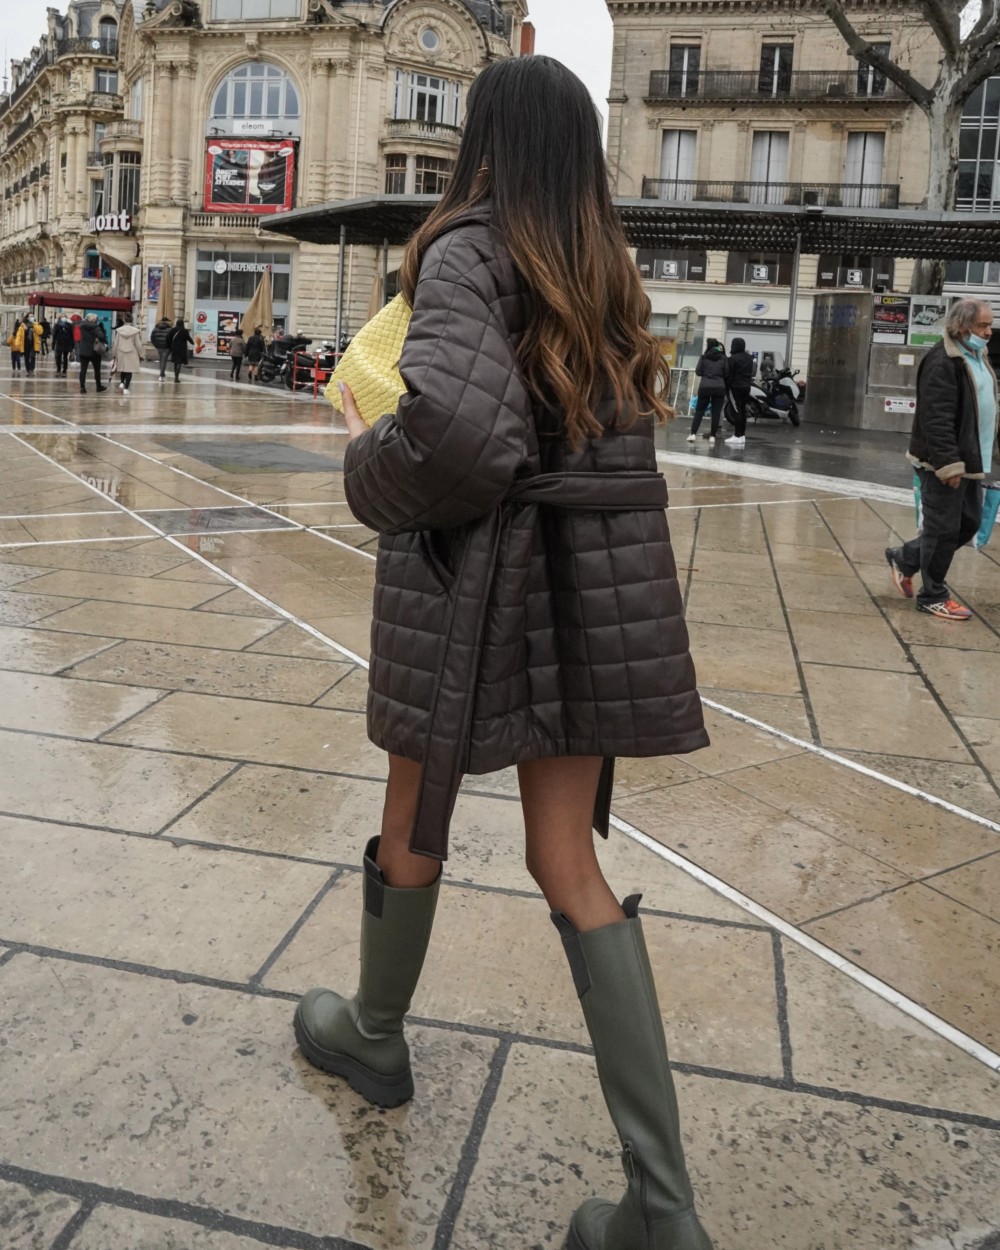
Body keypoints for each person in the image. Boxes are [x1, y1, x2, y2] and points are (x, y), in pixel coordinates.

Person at [295, 56, 713, 1250]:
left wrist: (368, 464)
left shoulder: (466, 251)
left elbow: (462, 436)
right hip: (584, 590)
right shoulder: (601, 263)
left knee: (416, 811)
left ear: (484, 142)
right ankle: (663, 1208)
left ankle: (374, 1034)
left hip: (473, 578)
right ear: (579, 149)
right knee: (565, 857)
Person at [886, 298, 998, 621]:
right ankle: (933, 595)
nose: (989, 332)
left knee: (969, 523)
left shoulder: (976, 355)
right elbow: (936, 419)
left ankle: (905, 559)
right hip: (942, 464)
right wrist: (948, 465)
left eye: (989, 325)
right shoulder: (942, 361)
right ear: (962, 326)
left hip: (971, 462)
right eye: (983, 325)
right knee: (943, 529)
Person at [687, 338, 728, 441]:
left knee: (699, 411)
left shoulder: (704, 357)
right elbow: (726, 373)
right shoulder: (723, 358)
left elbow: (698, 372)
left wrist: (707, 374)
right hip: (719, 387)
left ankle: (693, 434)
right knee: (716, 412)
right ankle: (713, 436)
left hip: (705, 387)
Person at [725, 337, 755, 447]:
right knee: (742, 410)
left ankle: (737, 435)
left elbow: (730, 375)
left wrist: (727, 387)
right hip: (747, 386)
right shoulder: (749, 358)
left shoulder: (732, 358)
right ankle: (742, 435)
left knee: (736, 411)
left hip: (735, 387)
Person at [111, 312, 143, 397]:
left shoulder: (119, 331)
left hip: (121, 351)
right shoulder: (135, 331)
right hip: (131, 352)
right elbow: (138, 345)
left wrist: (114, 354)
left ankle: (122, 382)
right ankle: (126, 388)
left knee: (122, 368)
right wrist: (141, 355)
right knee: (129, 370)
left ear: (124, 320)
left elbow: (115, 343)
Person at [77, 313, 108, 393]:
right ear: (94, 320)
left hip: (83, 351)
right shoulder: (96, 328)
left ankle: (82, 387)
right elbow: (101, 336)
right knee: (97, 370)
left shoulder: (82, 326)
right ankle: (98, 386)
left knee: (83, 370)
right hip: (94, 352)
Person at [166, 317, 193, 383]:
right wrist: (193, 342)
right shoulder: (185, 331)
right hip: (182, 348)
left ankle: (176, 376)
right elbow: (189, 338)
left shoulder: (173, 330)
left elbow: (168, 338)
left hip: (174, 348)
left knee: (176, 362)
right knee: (179, 362)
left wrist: (170, 345)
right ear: (182, 324)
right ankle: (176, 377)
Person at [151, 317, 173, 381]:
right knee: (164, 360)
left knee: (161, 360)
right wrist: (170, 346)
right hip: (166, 347)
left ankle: (162, 373)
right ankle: (161, 375)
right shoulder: (170, 329)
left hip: (159, 347)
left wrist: (156, 345)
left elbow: (152, 338)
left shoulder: (156, 328)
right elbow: (172, 339)